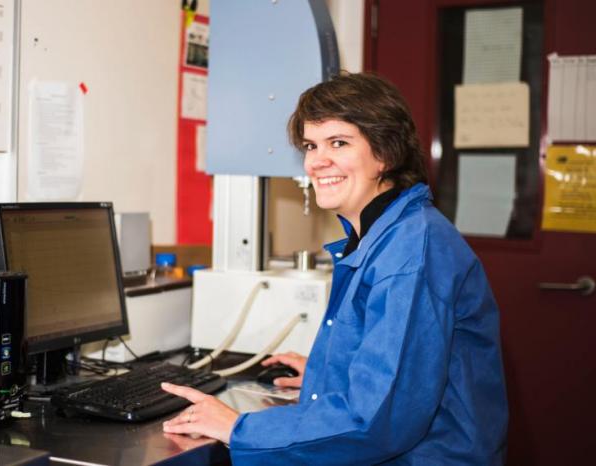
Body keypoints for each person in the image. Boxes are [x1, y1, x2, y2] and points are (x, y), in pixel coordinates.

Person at [162, 72, 508, 465]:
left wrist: (236, 427)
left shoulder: (410, 251)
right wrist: (330, 370)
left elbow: (377, 422)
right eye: (311, 145)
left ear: (386, 153)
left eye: (338, 143)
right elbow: (405, 364)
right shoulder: (383, 235)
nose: (317, 161)